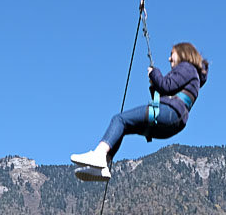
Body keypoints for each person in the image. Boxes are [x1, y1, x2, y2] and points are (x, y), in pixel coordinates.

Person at [70, 42, 208, 181]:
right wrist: (155, 84)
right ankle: (104, 164)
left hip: (169, 113)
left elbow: (166, 85)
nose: (169, 59)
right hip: (173, 124)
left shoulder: (187, 67)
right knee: (124, 127)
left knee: (119, 119)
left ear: (183, 53)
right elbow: (167, 91)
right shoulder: (193, 76)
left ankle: (99, 154)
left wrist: (155, 73)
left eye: (172, 54)